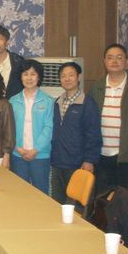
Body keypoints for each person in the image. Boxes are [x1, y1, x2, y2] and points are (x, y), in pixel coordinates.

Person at [88, 43, 128, 201]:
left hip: (127, 157)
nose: (114, 61)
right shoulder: (96, 88)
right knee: (101, 201)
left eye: (119, 57)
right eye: (110, 58)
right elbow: (88, 123)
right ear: (104, 62)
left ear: (126, 61)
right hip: (101, 156)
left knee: (126, 201)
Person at [50, 62, 102, 204]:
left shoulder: (88, 103)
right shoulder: (57, 102)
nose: (67, 79)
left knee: (75, 205)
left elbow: (93, 134)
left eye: (71, 75)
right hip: (58, 162)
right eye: (63, 76)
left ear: (78, 77)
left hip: (78, 164)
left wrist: (89, 160)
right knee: (57, 203)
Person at [9, 59, 54, 194]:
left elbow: (49, 127)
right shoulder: (13, 101)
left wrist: (36, 149)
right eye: (25, 74)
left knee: (41, 192)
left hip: (40, 155)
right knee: (19, 193)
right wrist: (17, 148)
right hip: (18, 154)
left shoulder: (48, 101)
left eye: (33, 74)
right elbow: (9, 128)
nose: (29, 78)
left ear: (39, 77)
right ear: (21, 77)